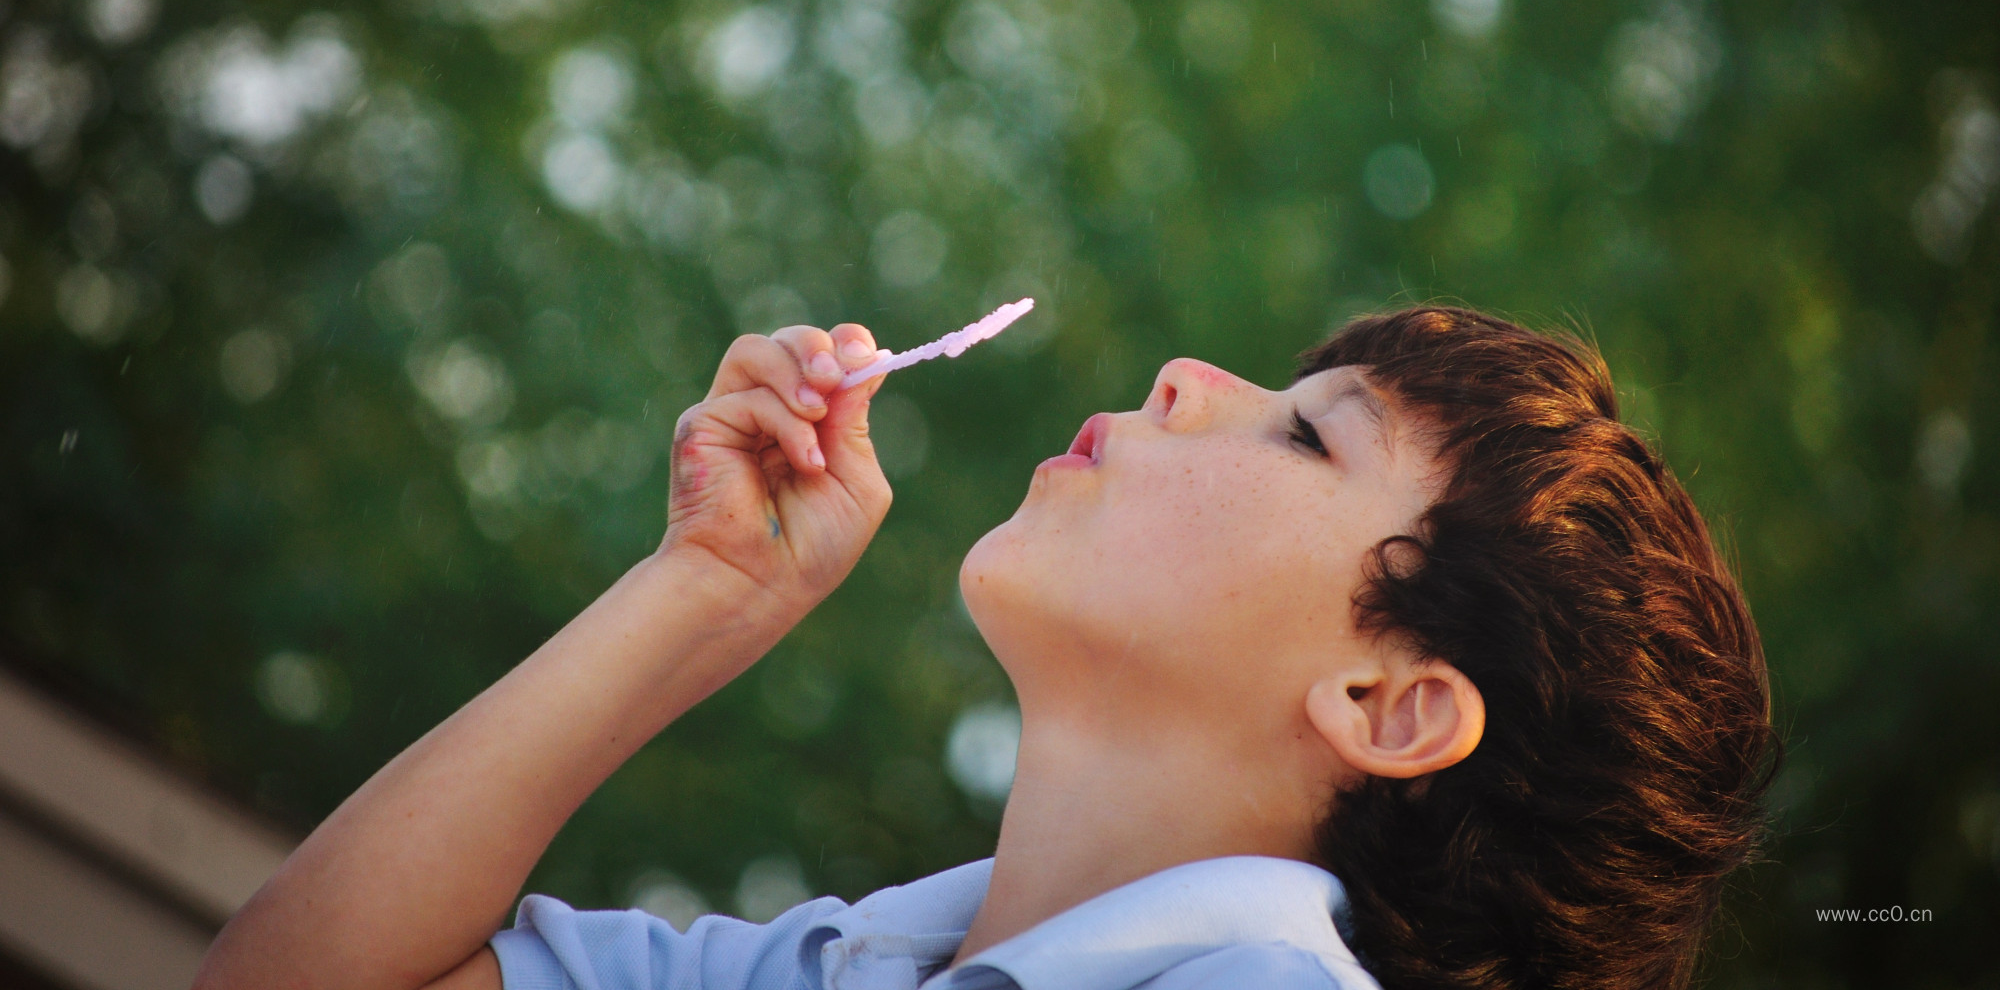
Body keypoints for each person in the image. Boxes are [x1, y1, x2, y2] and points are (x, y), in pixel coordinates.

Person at [196, 305, 1776, 990]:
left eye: (1307, 441)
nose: (1183, 377)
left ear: (1393, 702)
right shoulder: (832, 968)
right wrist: (706, 595)